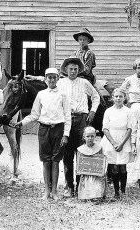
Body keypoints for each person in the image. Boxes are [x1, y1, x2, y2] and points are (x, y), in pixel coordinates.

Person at [15, 68, 71, 200]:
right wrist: (22, 123)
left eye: (54, 77)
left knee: (56, 160)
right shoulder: (41, 94)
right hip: (44, 129)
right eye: (49, 77)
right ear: (45, 79)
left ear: (58, 79)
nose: (51, 80)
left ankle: (55, 191)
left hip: (58, 128)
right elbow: (34, 114)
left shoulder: (63, 95)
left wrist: (66, 134)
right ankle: (46, 191)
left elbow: (67, 116)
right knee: (46, 160)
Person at [57, 56, 100, 197]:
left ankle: (81, 185)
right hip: (67, 119)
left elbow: (95, 96)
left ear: (78, 70)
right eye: (71, 69)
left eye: (75, 69)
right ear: (66, 70)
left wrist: (93, 111)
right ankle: (69, 186)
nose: (73, 71)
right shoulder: (60, 83)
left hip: (82, 119)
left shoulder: (84, 82)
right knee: (67, 154)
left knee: (82, 152)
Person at [99, 88, 132, 198]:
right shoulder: (108, 111)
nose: (118, 98)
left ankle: (123, 191)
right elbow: (105, 128)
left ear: (124, 98)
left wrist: (121, 144)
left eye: (120, 96)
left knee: (122, 166)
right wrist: (113, 143)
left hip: (124, 139)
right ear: (112, 98)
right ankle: (116, 192)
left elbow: (130, 128)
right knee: (114, 167)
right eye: (116, 96)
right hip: (111, 139)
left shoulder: (128, 111)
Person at [77, 126, 106, 200]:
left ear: (95, 136)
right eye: (88, 136)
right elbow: (79, 164)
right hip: (86, 175)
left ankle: (97, 195)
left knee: (97, 189)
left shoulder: (99, 148)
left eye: (92, 136)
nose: (90, 138)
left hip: (96, 175)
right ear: (84, 136)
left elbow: (101, 162)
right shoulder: (80, 149)